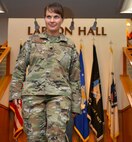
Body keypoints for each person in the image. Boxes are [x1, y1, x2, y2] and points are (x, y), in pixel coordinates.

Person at [9, 2, 81, 142]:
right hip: (33, 96)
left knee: (56, 137)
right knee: (35, 137)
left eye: (56, 17)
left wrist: (76, 105)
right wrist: (15, 93)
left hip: (60, 97)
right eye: (48, 17)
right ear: (44, 18)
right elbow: (19, 69)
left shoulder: (69, 45)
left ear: (62, 19)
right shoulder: (32, 42)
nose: (52, 20)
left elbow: (75, 78)